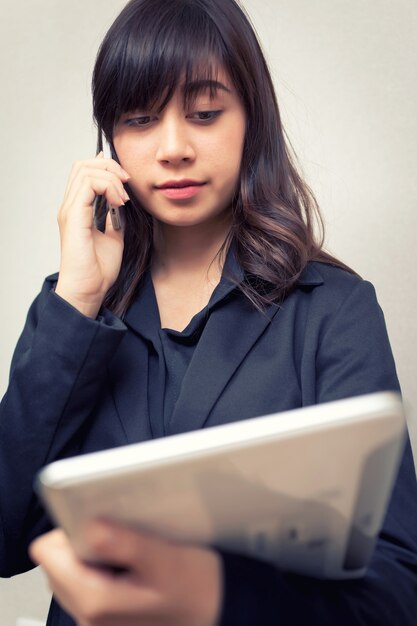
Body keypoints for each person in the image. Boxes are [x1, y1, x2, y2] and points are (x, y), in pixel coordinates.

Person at [1, 0, 416, 624]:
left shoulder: (334, 310)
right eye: (140, 119)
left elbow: (396, 595)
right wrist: (79, 301)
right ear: (110, 138)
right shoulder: (74, 309)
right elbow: (6, 540)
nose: (173, 148)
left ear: (252, 119)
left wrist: (210, 596)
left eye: (204, 114)